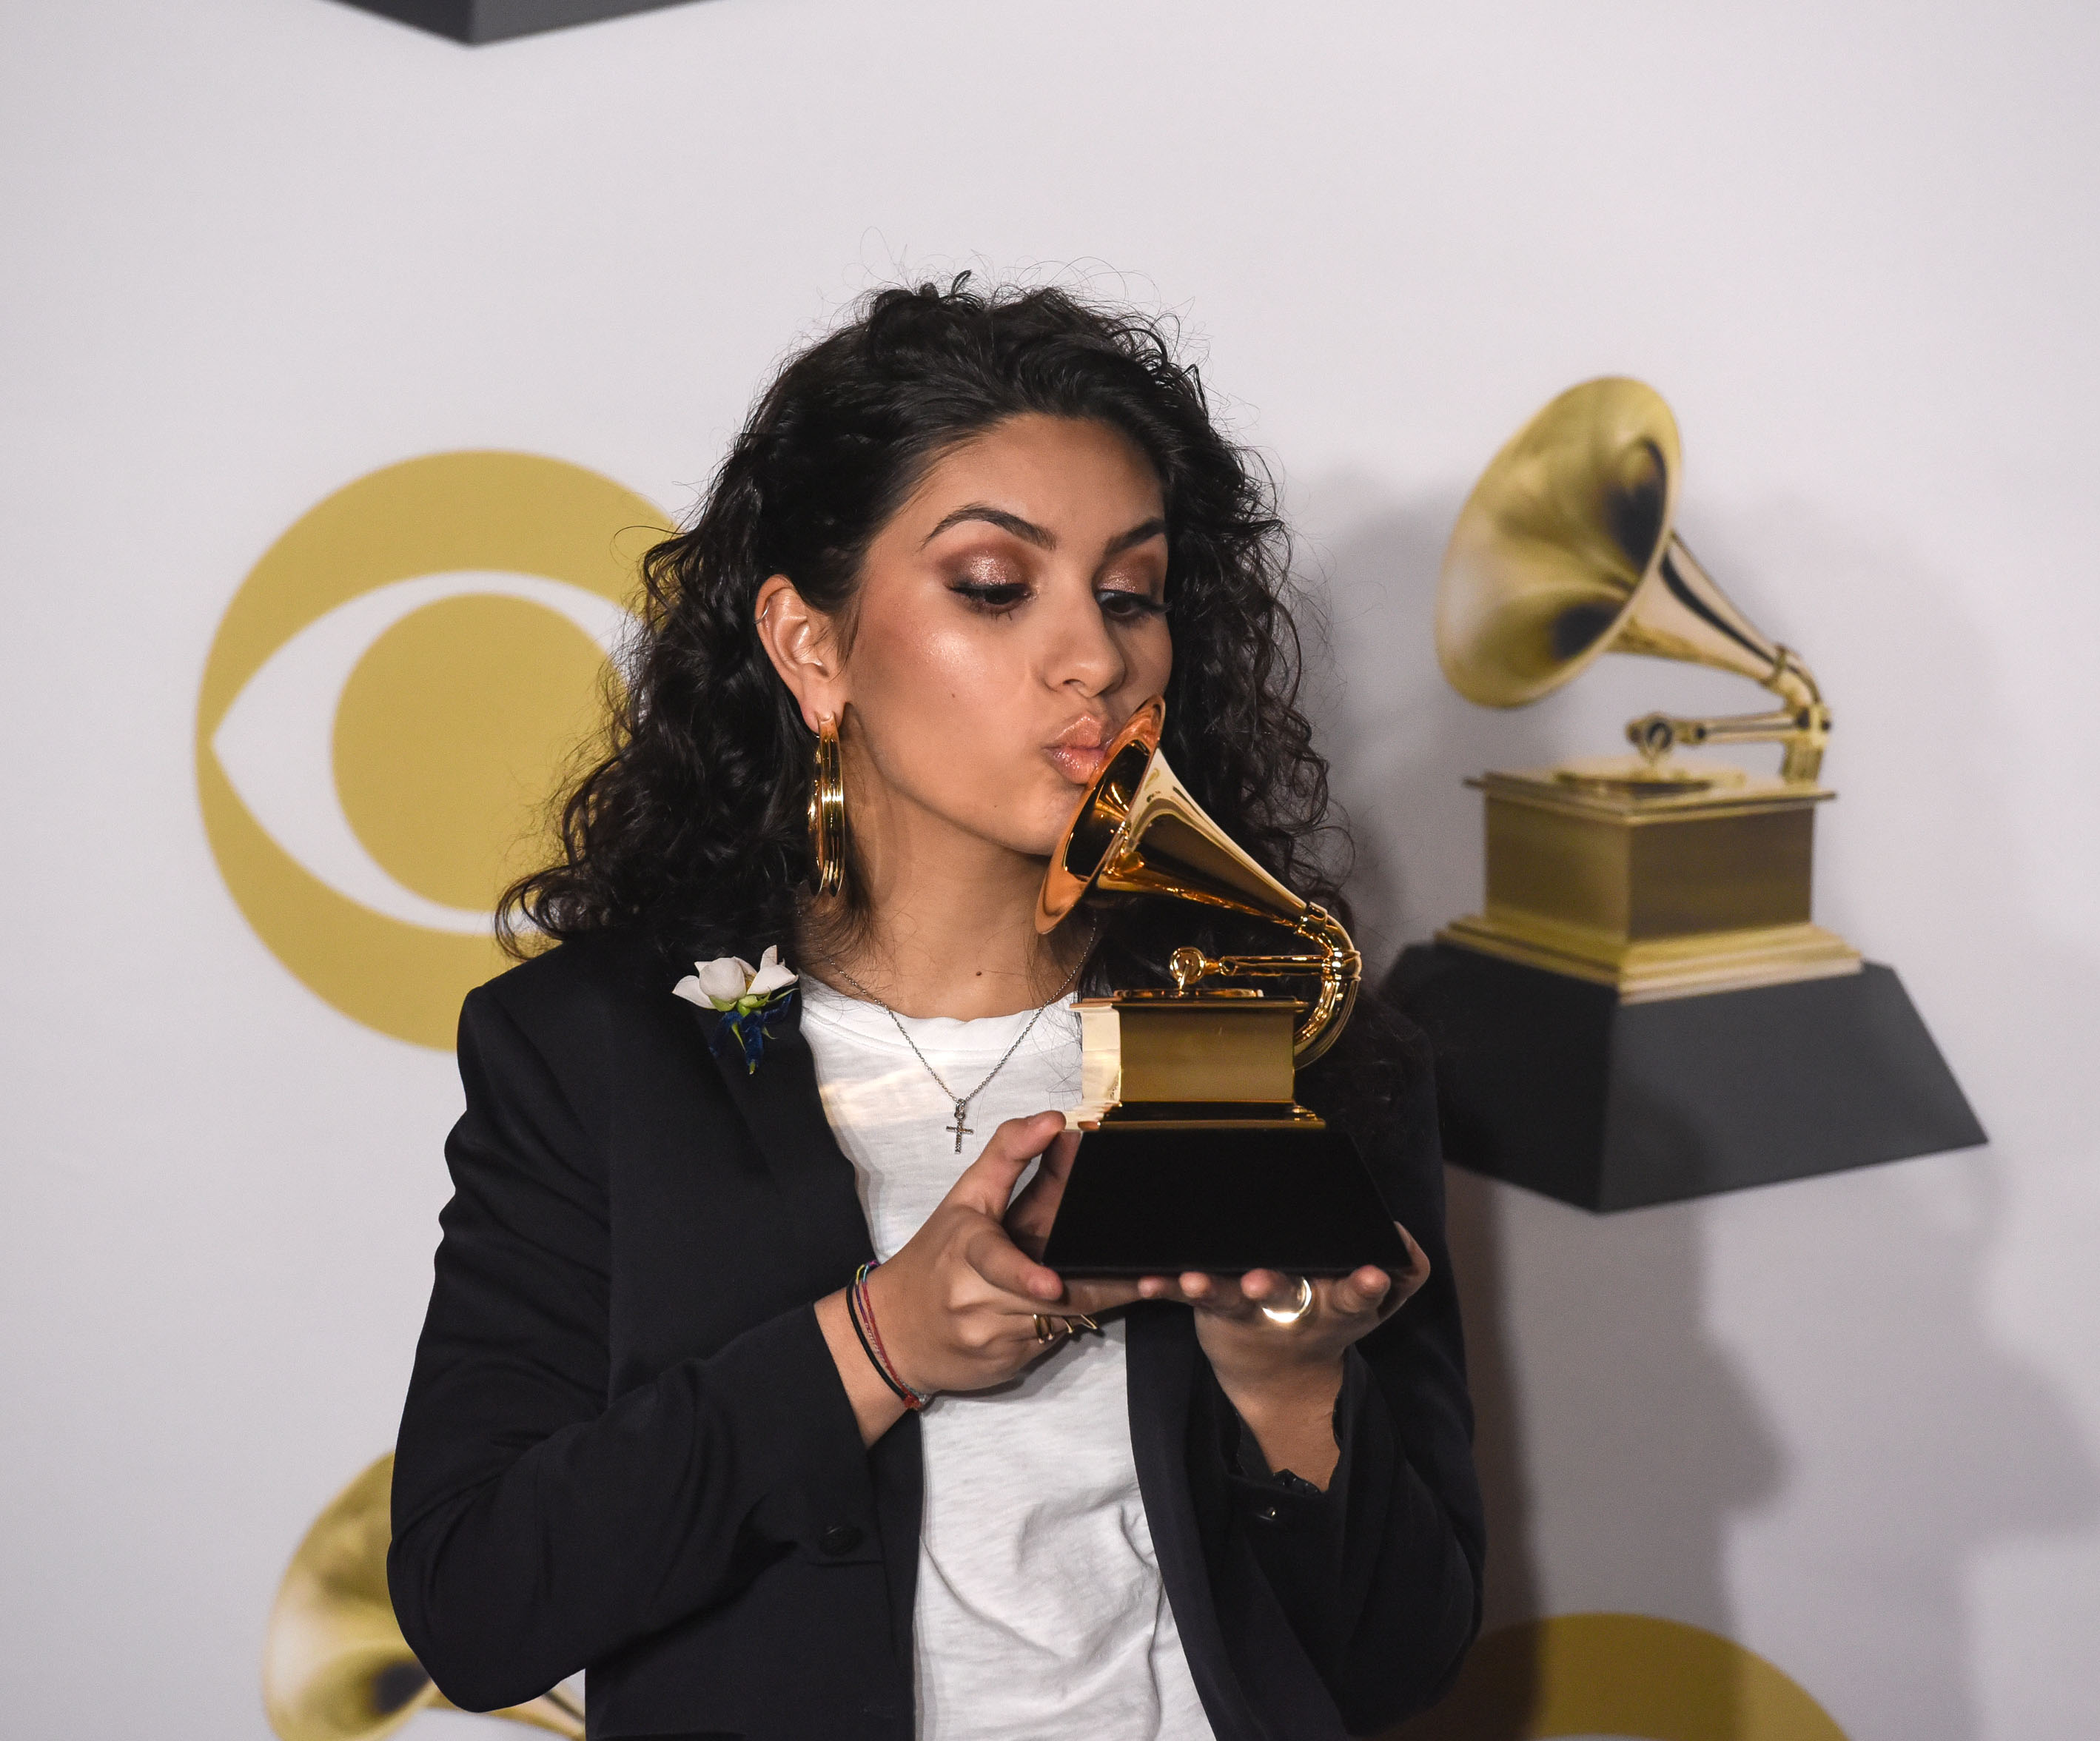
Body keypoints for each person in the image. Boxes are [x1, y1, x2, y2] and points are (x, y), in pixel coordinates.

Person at [387, 280, 1482, 1740]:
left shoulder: (1286, 1035)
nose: (1093, 654)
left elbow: (1398, 1661)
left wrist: (1286, 1393)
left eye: (1132, 591)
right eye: (992, 584)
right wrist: (876, 1345)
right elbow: (480, 1600)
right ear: (813, 647)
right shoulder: (597, 1053)